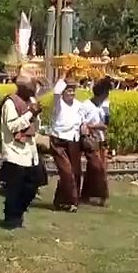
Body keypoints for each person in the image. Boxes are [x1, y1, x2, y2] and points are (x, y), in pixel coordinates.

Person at [0, 74, 44, 229]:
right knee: (15, 189)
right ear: (23, 88)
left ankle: (19, 213)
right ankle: (11, 219)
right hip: (14, 151)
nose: (34, 90)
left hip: (29, 150)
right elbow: (12, 127)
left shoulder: (30, 101)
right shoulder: (10, 103)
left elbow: (36, 126)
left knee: (33, 185)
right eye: (32, 87)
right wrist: (30, 113)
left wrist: (36, 115)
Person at [48, 77, 86, 212]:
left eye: (73, 91)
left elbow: (82, 121)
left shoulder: (79, 105)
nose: (71, 93)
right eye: (68, 91)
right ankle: (72, 202)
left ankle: (61, 201)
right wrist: (63, 76)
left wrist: (84, 126)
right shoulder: (58, 104)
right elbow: (56, 92)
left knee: (74, 172)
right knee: (66, 171)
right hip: (58, 141)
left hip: (73, 140)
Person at [79, 78, 112, 207]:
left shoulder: (105, 106)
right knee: (98, 168)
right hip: (90, 140)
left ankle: (86, 195)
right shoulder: (86, 106)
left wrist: (99, 126)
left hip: (101, 140)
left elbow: (106, 123)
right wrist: (93, 127)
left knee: (93, 170)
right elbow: (82, 124)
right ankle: (102, 196)